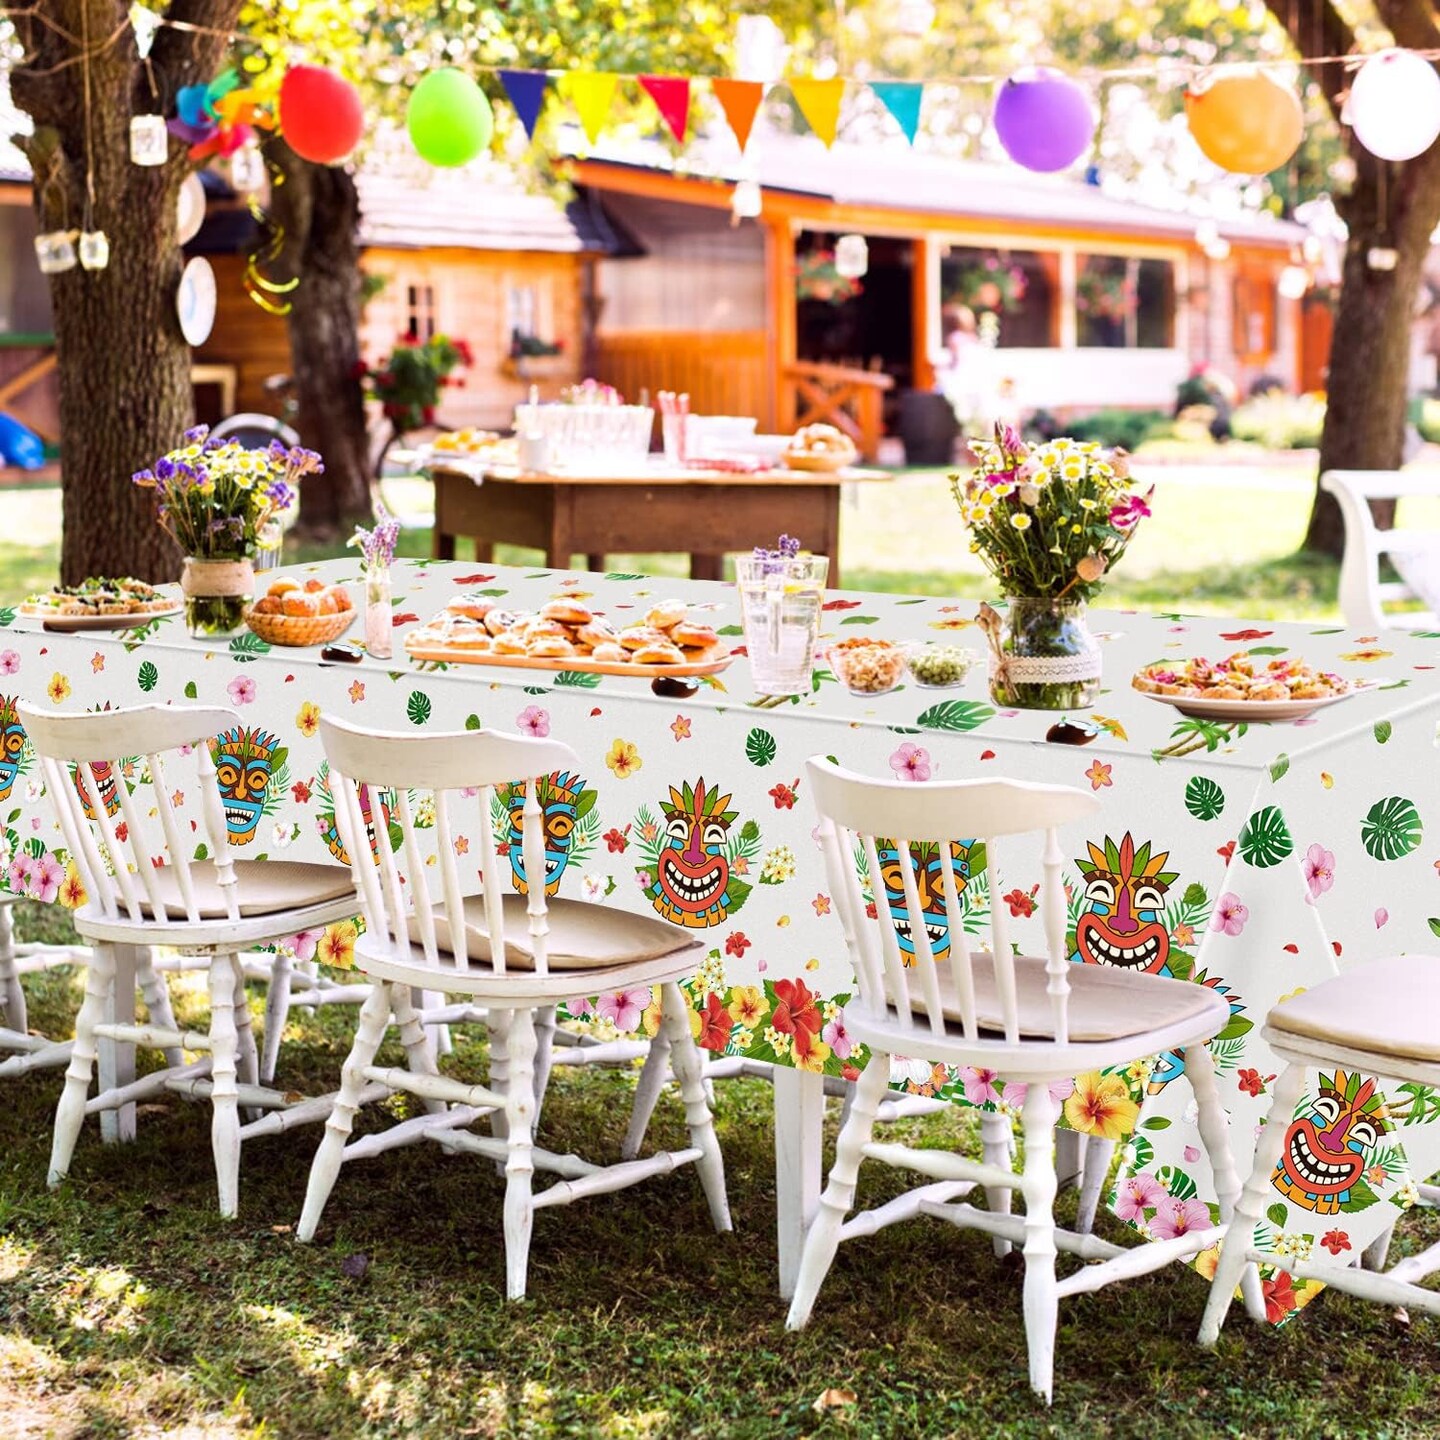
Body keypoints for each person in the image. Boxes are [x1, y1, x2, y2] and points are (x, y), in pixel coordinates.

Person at [932, 304, 995, 434]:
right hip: (971, 377)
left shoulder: (956, 338)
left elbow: (955, 362)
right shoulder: (970, 338)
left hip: (962, 377)